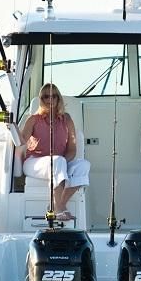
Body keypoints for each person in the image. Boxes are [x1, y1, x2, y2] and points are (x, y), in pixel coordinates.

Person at [17, 83, 90, 221]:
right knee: (57, 161)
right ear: (41, 99)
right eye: (46, 96)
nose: (50, 99)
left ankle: (58, 205)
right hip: (34, 162)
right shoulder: (33, 119)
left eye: (54, 96)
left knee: (83, 165)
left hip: (58, 162)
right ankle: (60, 209)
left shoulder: (67, 119)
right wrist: (12, 128)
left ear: (58, 98)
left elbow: (72, 149)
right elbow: (21, 141)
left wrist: (63, 163)